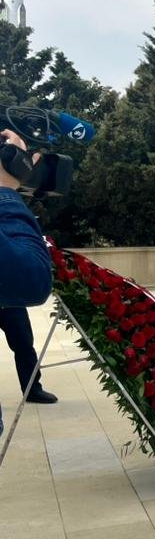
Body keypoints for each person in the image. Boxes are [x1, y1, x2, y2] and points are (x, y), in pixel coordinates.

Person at [0, 129, 55, 433]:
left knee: (23, 343)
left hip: (9, 299)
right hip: (11, 280)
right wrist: (7, 187)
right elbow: (32, 278)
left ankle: (32, 387)